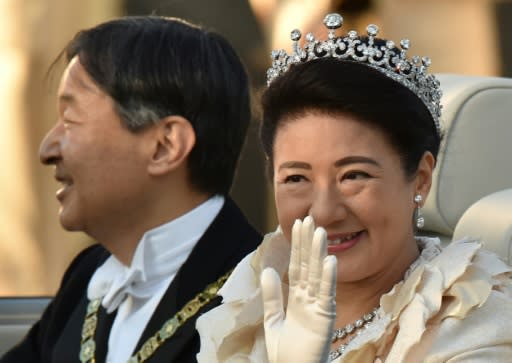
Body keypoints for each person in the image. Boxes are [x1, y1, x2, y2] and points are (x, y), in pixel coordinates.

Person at [196, 13, 512, 362]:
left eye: (354, 176)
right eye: (296, 178)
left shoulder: (477, 322)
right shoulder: (256, 292)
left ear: (420, 178)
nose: (324, 212)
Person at [1, 16, 261, 363]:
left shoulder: (263, 297)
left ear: (164, 146)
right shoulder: (87, 276)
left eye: (70, 119)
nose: (47, 149)